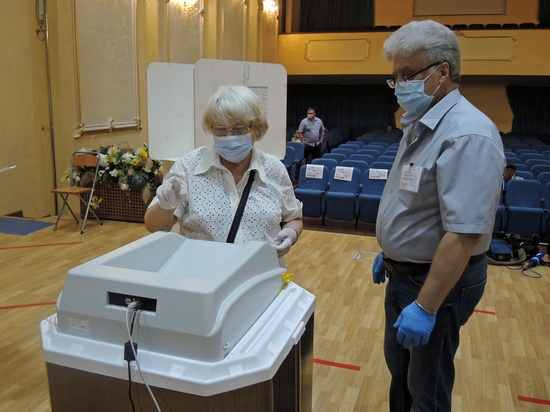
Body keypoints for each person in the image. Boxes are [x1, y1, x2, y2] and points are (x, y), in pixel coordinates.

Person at [371, 20, 505, 411]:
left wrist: (426, 306)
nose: (399, 85)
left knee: (426, 391)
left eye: (407, 74)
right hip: (405, 273)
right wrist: (393, 249)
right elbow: (416, 200)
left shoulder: (467, 134)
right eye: (395, 77)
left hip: (437, 284)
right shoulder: (420, 123)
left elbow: (464, 233)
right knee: (401, 373)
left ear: (442, 71)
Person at [144, 84, 303, 264]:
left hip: (261, 273)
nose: (229, 136)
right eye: (220, 129)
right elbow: (154, 227)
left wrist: (291, 233)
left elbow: (294, 218)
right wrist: (166, 206)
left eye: (239, 129)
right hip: (203, 273)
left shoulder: (273, 168)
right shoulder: (189, 166)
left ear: (256, 128)